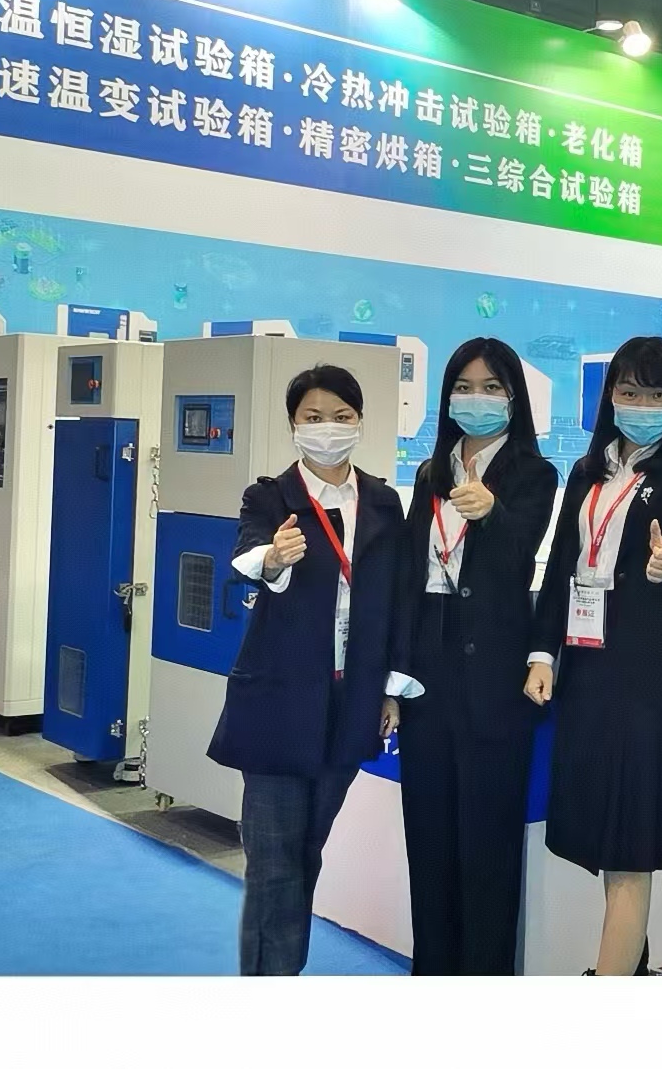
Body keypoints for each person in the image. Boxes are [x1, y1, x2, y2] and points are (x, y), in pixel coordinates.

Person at [209, 364, 421, 976]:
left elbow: (398, 598)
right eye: (313, 417)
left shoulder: (382, 501)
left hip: (349, 703)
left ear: (360, 422)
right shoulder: (271, 498)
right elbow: (246, 558)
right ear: (293, 425)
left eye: (341, 416)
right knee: (273, 861)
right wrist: (274, 558)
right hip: (279, 704)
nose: (328, 428)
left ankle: (282, 973)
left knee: (308, 851)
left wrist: (391, 690)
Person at [527, 335, 662, 976]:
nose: (641, 404)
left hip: (645, 679)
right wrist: (542, 654)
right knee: (604, 841)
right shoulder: (587, 471)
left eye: (657, 394)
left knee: (632, 849)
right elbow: (561, 564)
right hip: (586, 672)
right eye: (630, 391)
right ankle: (629, 970)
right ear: (610, 396)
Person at [391, 338, 557, 975]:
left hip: (494, 678)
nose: (476, 398)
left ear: (513, 399)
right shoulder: (431, 472)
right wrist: (395, 675)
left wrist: (493, 513)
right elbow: (410, 575)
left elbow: (522, 559)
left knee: (488, 845)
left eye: (491, 388)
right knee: (428, 837)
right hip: (427, 677)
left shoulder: (533, 474)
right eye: (464, 387)